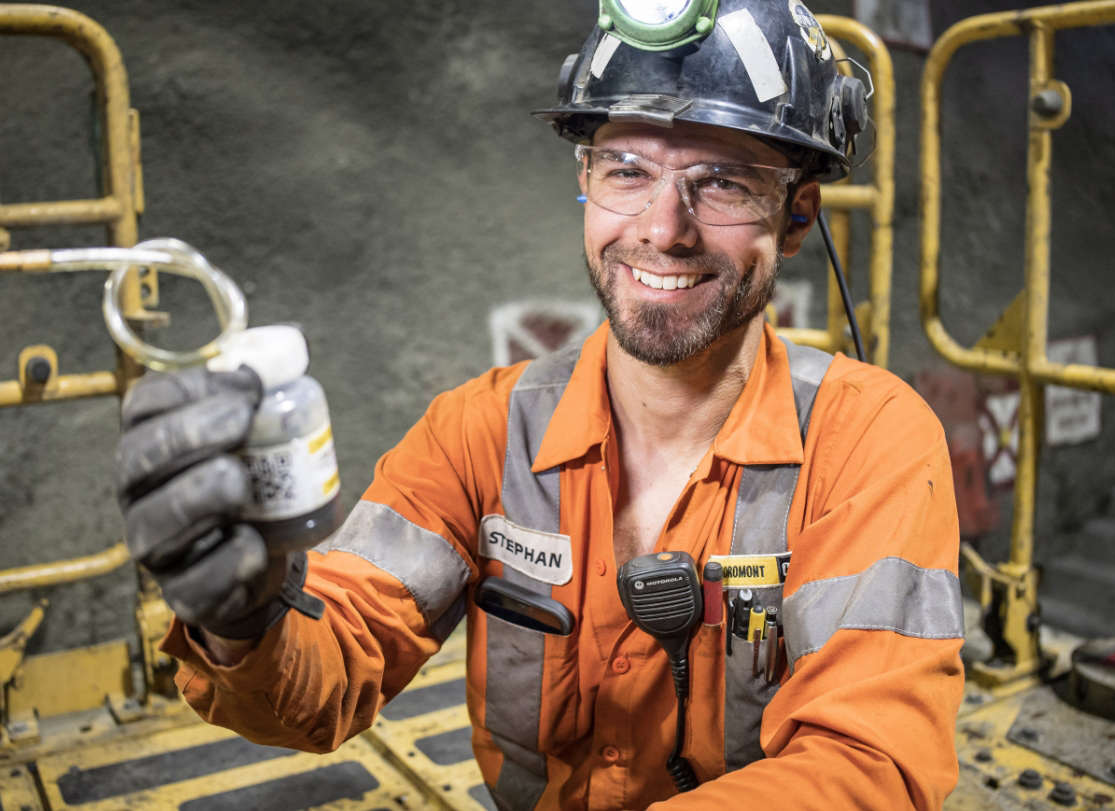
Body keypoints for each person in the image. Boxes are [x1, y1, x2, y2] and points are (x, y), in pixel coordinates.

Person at [116, 1, 966, 808]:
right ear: (585, 180)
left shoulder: (869, 441)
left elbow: (869, 768)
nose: (662, 227)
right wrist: (248, 622)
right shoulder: (481, 431)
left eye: (725, 183)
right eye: (626, 170)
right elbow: (326, 674)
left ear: (797, 216)